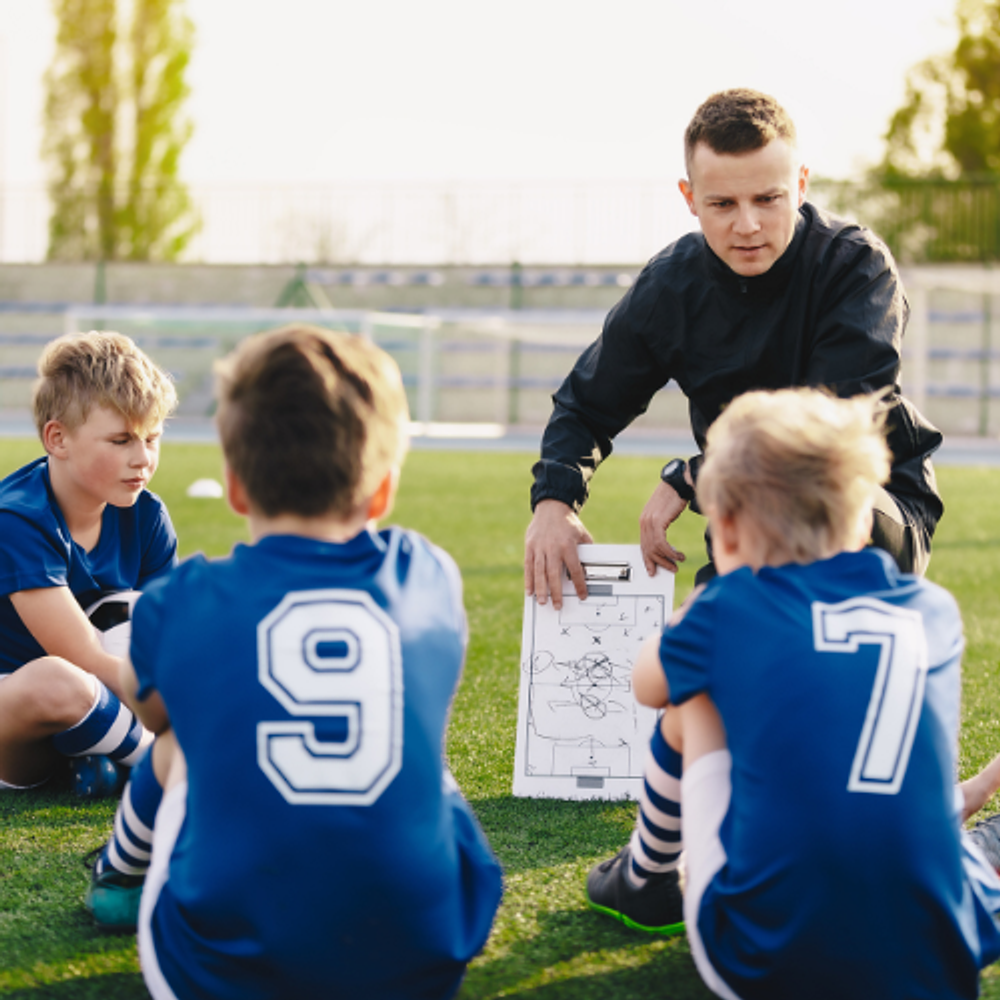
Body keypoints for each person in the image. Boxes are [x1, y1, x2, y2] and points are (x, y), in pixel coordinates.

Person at [86, 325, 503, 1000]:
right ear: (382, 492)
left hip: (219, 976)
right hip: (422, 962)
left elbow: (150, 709)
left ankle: (117, 876)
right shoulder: (429, 574)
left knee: (179, 743)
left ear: (236, 487)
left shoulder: (182, 599)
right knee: (409, 742)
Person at [585, 387, 1000, 1000]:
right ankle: (966, 824)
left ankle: (647, 877)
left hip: (763, 961)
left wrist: (693, 614)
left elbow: (648, 684)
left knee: (690, 700)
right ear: (864, 516)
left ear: (723, 526)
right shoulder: (931, 610)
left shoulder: (729, 607)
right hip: (940, 954)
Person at [525, 88, 943, 610]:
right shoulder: (670, 287)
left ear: (801, 184)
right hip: (740, 522)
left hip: (867, 506)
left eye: (768, 199)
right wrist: (554, 503)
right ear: (690, 197)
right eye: (722, 204)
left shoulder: (856, 266)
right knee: (704, 665)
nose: (747, 225)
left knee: (822, 504)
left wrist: (691, 477)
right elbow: (585, 406)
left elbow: (831, 425)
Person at [0, 331, 177, 794]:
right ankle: (170, 767)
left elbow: (166, 635)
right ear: (57, 439)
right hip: (19, 713)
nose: (142, 458)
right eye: (121, 440)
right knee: (57, 681)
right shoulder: (18, 519)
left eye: (151, 438)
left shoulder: (147, 515)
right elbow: (83, 659)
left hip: (102, 704)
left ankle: (104, 758)